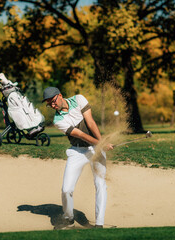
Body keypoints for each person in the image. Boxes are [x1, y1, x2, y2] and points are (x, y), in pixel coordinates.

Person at [43, 87, 113, 229]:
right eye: (49, 104)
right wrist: (100, 143)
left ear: (60, 96)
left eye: (53, 101)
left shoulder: (78, 99)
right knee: (66, 189)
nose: (52, 105)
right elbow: (80, 134)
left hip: (95, 149)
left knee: (100, 185)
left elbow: (91, 122)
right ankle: (69, 219)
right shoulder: (58, 120)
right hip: (77, 152)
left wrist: (101, 143)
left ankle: (99, 224)